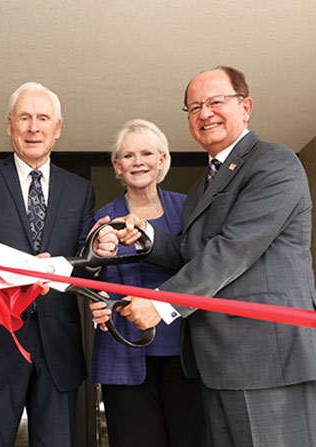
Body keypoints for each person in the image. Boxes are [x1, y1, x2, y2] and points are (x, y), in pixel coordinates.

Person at [93, 66, 316, 446]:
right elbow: (187, 253)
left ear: (245, 106)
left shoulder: (274, 162)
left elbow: (234, 248)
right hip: (213, 363)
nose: (205, 113)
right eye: (194, 107)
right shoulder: (202, 186)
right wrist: (146, 235)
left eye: (216, 102)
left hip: (265, 357)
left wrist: (160, 305)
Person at [0, 82, 96, 446]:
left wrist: (93, 253)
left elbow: (87, 268)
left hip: (58, 349)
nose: (33, 127)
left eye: (43, 118)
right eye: (24, 118)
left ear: (57, 128)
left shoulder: (80, 189)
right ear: (10, 126)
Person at [91, 119, 206, 447]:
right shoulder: (101, 217)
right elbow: (86, 276)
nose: (137, 161)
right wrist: (96, 293)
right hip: (123, 358)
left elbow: (201, 267)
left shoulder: (189, 209)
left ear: (163, 160)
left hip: (186, 356)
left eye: (146, 153)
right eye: (128, 156)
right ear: (117, 165)